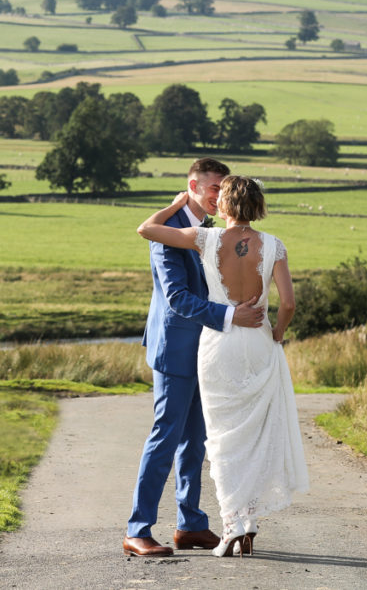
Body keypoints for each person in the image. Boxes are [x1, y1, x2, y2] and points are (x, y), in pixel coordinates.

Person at [137, 175, 309, 557]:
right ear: (259, 206)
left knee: (221, 437)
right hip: (260, 342)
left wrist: (176, 202)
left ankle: (230, 525)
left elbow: (146, 229)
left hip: (219, 345)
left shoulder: (205, 238)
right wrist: (278, 332)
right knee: (252, 436)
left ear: (226, 206)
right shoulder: (275, 245)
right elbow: (289, 305)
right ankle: (248, 523)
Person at [124, 159, 265, 558]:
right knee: (164, 438)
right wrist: (230, 316)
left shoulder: (211, 231)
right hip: (174, 347)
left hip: (207, 350)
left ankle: (190, 525)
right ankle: (137, 530)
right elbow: (177, 298)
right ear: (192, 185)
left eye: (224, 188)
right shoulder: (166, 234)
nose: (220, 195)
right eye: (213, 187)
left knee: (196, 441)